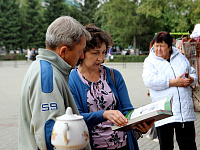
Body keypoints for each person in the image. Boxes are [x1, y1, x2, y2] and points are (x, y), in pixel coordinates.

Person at [68, 24, 154, 150]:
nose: (101, 58)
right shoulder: (72, 79)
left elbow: (127, 110)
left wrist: (139, 123)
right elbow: (77, 118)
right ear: (82, 52)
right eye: (95, 53)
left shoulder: (114, 75)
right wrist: (104, 114)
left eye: (103, 52)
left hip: (123, 144)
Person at [18, 16, 91, 150]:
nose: (82, 56)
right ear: (63, 51)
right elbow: (50, 135)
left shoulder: (43, 68)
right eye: (80, 51)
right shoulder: (47, 75)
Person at [142, 31, 198, 150]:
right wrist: (173, 82)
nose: (158, 49)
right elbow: (149, 80)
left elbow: (192, 73)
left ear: (169, 46)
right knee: (166, 146)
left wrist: (191, 79)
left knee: (188, 145)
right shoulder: (150, 61)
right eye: (156, 46)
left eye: (162, 46)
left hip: (184, 111)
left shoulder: (181, 57)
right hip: (164, 111)